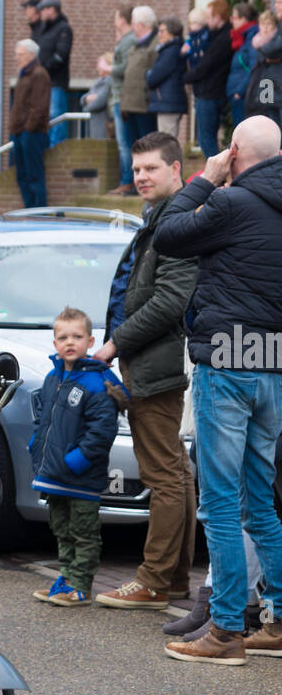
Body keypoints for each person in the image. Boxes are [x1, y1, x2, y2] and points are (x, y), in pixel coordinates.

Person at [154, 115, 282, 663]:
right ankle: (277, 622)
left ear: (234, 151)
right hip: (273, 365)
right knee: (263, 504)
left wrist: (205, 178)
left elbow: (169, 234)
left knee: (222, 505)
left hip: (226, 362)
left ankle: (226, 629)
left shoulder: (231, 204)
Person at [93, 132, 199, 609]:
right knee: (175, 469)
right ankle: (174, 578)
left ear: (176, 170)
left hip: (159, 366)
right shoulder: (160, 219)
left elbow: (170, 302)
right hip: (151, 362)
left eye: (151, 169)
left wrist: (116, 342)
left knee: (163, 475)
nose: (140, 177)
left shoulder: (177, 222)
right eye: (136, 170)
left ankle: (154, 580)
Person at [29, 308, 127, 606]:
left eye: (77, 336)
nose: (69, 342)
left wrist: (80, 459)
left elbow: (102, 430)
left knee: (84, 532)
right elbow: (43, 419)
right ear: (55, 342)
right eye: (63, 337)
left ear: (91, 340)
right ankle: (66, 579)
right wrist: (36, 444)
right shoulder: (51, 378)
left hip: (81, 477)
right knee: (61, 529)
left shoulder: (97, 383)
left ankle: (81, 585)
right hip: (54, 474)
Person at [184, 0, 232, 160]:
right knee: (208, 138)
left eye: (209, 17)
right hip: (211, 93)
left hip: (210, 94)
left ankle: (216, 176)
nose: (207, 21)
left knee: (206, 139)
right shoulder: (215, 36)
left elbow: (205, 66)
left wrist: (184, 78)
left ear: (218, 17)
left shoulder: (222, 39)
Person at [9, 39, 51, 208]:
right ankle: (29, 208)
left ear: (31, 55)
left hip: (31, 134)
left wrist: (28, 128)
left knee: (34, 175)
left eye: (20, 55)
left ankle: (38, 211)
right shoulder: (24, 74)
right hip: (20, 133)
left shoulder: (39, 74)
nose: (17, 58)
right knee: (22, 175)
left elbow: (39, 107)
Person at [34, 0, 72, 146]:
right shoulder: (43, 30)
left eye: (43, 10)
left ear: (52, 10)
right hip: (42, 84)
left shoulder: (64, 29)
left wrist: (44, 69)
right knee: (45, 117)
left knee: (56, 117)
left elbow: (61, 54)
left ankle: (57, 149)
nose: (40, 13)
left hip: (56, 82)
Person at [120, 6, 159, 148]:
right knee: (133, 147)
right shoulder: (136, 45)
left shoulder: (155, 44)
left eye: (134, 24)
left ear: (141, 25)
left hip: (144, 106)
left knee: (147, 147)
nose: (132, 27)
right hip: (130, 105)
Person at [108, 5, 136, 195]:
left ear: (123, 20)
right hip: (120, 97)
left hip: (122, 98)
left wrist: (108, 67)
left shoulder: (128, 41)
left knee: (124, 142)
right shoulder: (125, 41)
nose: (114, 21)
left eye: (116, 17)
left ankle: (127, 182)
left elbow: (124, 67)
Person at [145, 17, 187, 137]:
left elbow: (153, 78)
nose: (159, 34)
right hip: (168, 103)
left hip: (168, 104)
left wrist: (148, 73)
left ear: (172, 33)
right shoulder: (171, 50)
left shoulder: (170, 51)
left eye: (162, 31)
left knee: (167, 141)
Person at [244, 0, 282, 127]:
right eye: (262, 24)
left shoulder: (277, 35)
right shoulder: (256, 40)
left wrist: (265, 54)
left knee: (277, 123)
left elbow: (273, 49)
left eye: (269, 24)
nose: (265, 28)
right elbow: (256, 59)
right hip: (265, 84)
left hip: (277, 84)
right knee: (269, 122)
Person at [226, 2, 260, 128]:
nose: (231, 21)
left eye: (234, 17)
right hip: (238, 93)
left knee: (244, 133)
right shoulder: (242, 37)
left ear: (243, 19)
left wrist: (239, 91)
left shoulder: (251, 37)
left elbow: (253, 66)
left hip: (243, 95)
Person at [80, 55, 112, 139]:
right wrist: (86, 99)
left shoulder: (109, 81)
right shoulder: (98, 82)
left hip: (103, 123)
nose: (98, 68)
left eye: (100, 64)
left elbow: (100, 101)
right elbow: (83, 98)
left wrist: (85, 107)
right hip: (94, 123)